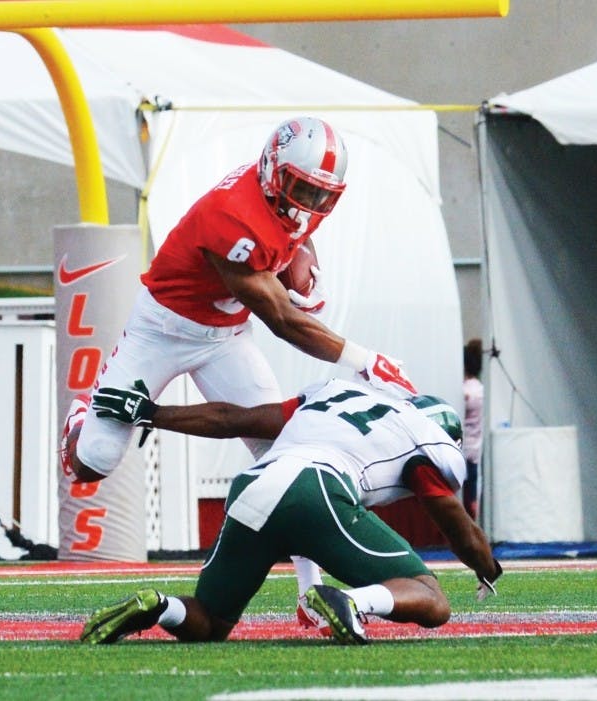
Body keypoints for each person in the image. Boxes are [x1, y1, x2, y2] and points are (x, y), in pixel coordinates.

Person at [61, 116, 418, 624]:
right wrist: (366, 360)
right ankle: (83, 420)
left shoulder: (289, 194)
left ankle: (309, 595)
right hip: (163, 329)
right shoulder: (233, 215)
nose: (309, 205)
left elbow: (297, 234)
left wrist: (302, 262)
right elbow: (282, 320)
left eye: (320, 195)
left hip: (226, 335)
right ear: (274, 170)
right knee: (94, 458)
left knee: (288, 457)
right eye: (301, 190)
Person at [79, 377, 502, 646]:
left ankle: (159, 606)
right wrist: (486, 565)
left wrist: (151, 414)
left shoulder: (332, 397)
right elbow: (458, 530)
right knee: (431, 597)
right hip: (315, 489)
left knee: (209, 623)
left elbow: (231, 419)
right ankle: (351, 602)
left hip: (252, 490)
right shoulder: (425, 439)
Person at [462, 338, 485, 520]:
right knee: (472, 495)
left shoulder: (466, 392)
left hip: (465, 449)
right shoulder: (481, 389)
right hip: (476, 449)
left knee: (467, 497)